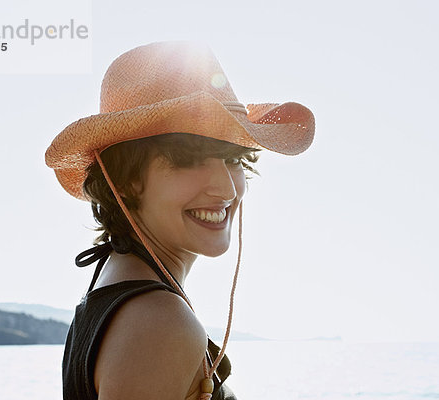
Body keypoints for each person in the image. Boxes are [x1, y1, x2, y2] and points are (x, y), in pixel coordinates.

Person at [45, 41, 315, 400]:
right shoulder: (158, 321)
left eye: (233, 159)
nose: (225, 188)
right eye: (189, 160)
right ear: (124, 179)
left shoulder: (117, 282)